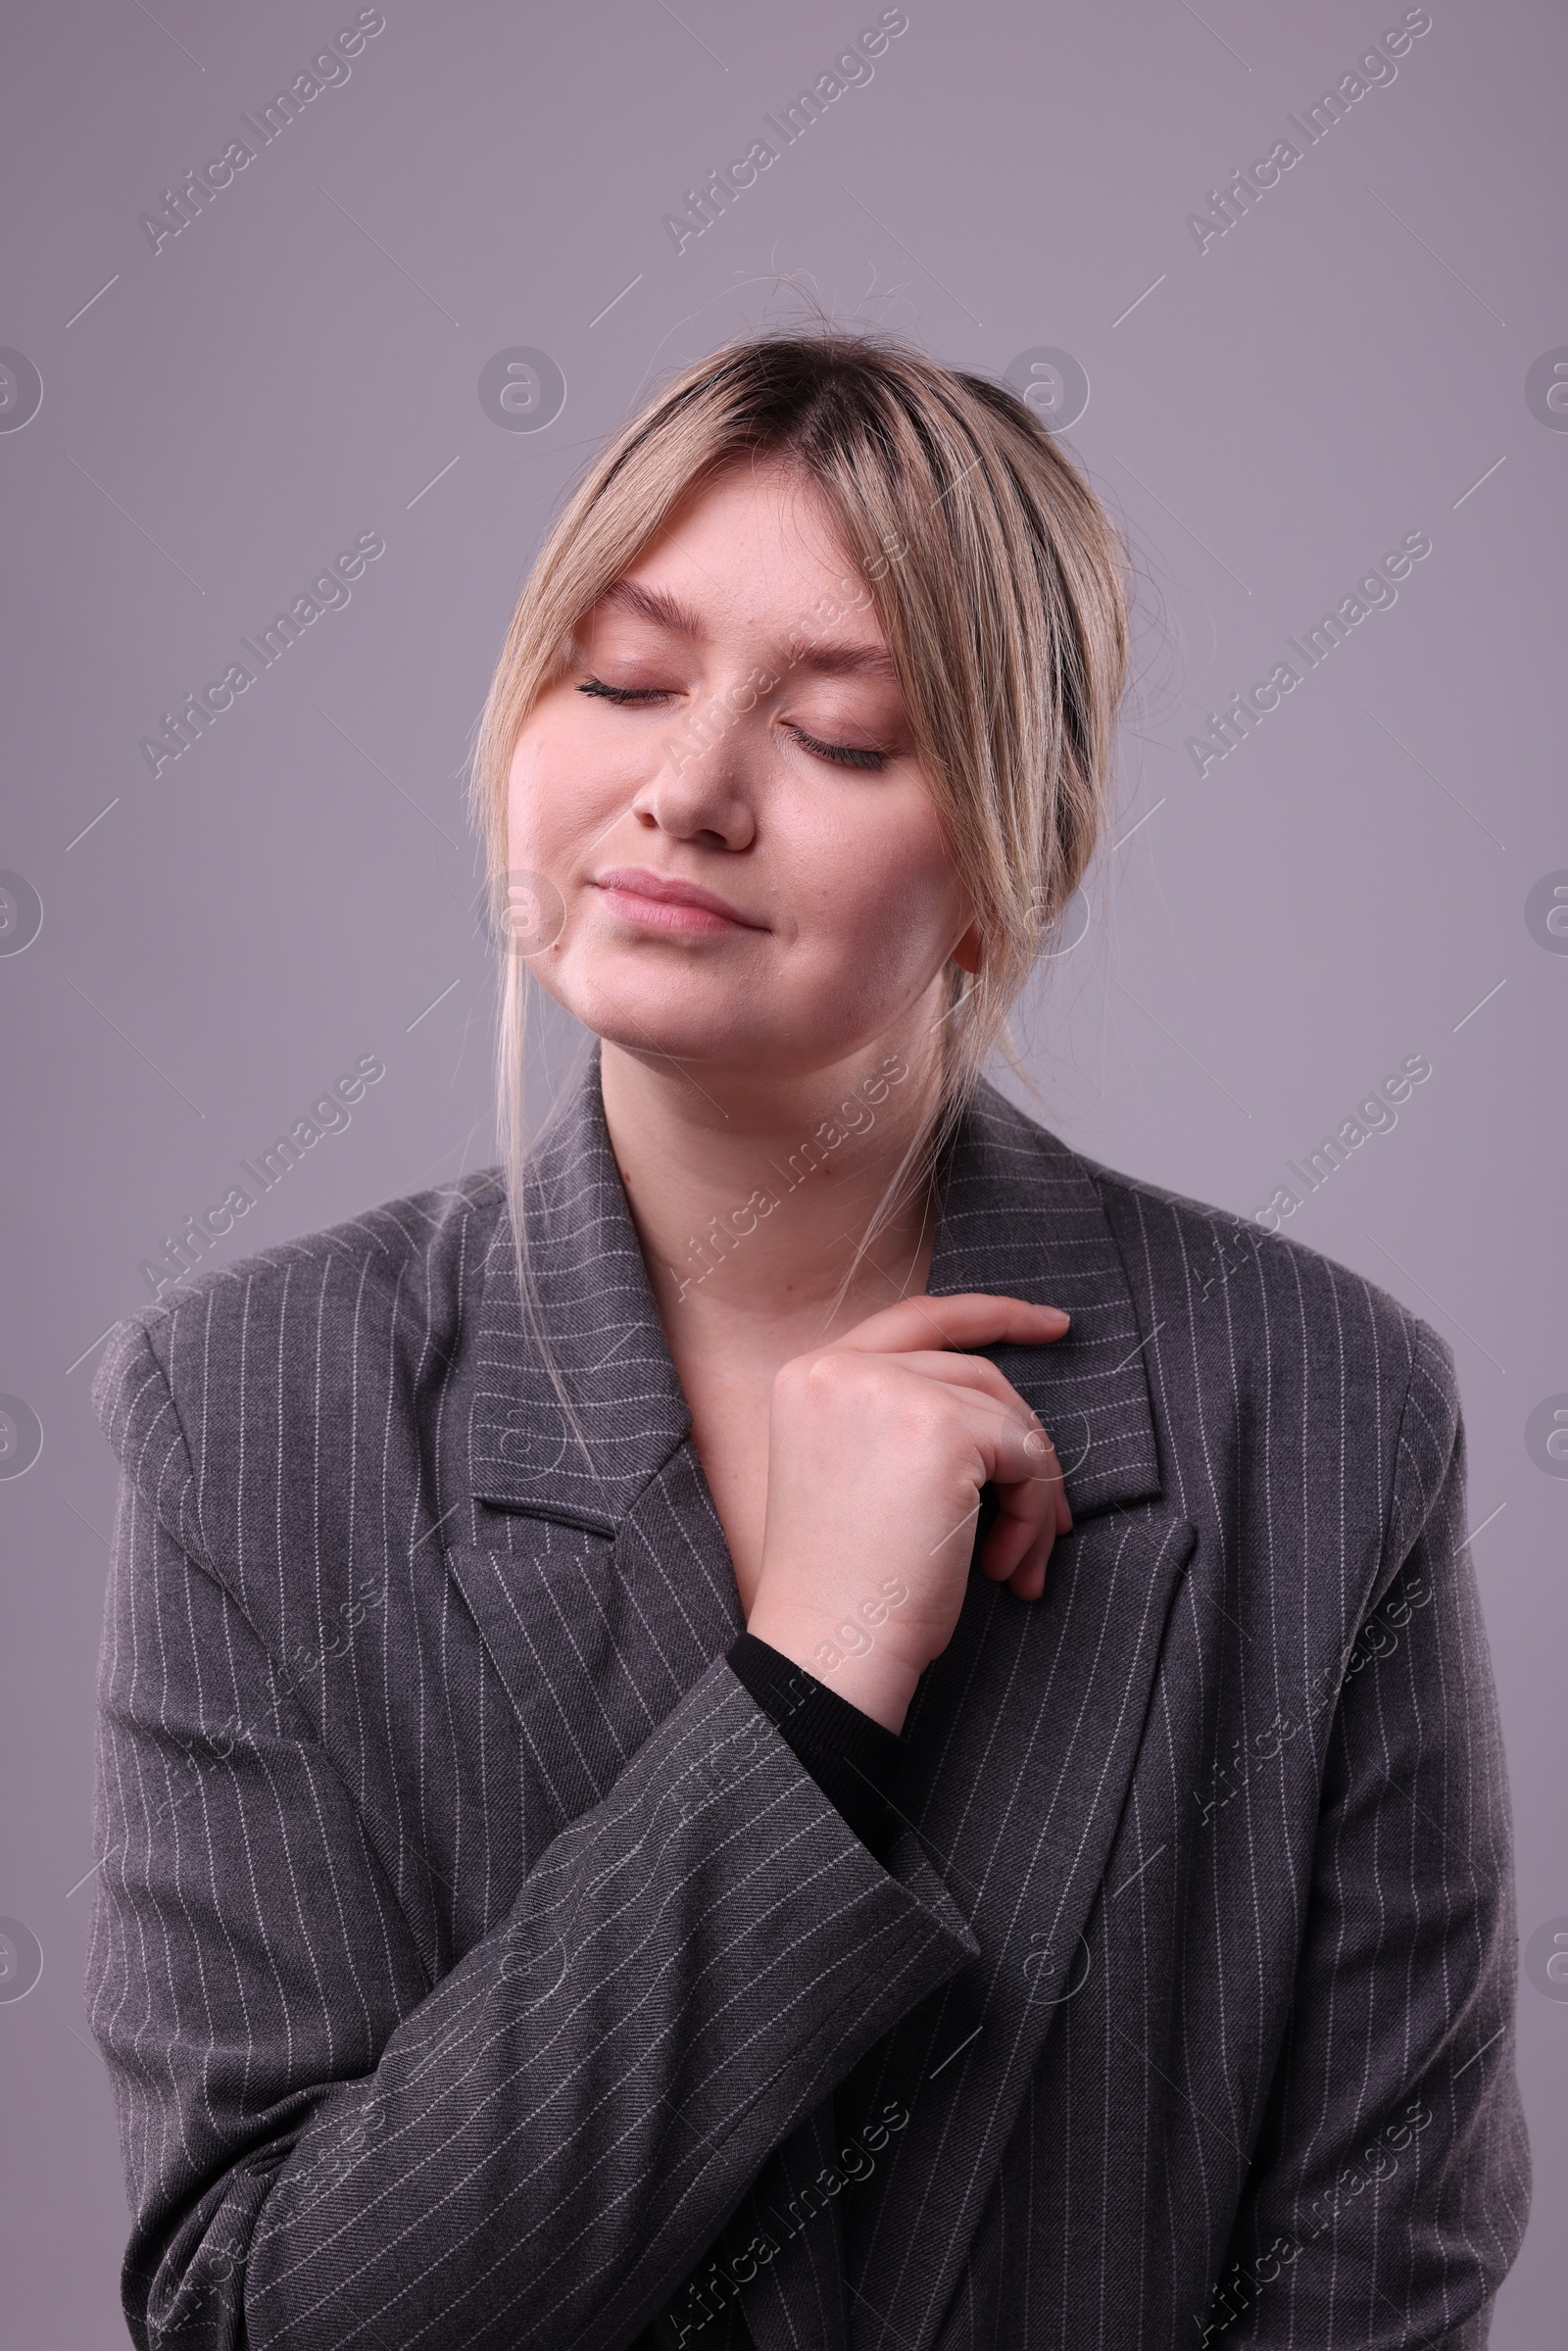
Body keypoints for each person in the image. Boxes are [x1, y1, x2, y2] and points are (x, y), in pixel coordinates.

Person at [88, 331, 1528, 2350]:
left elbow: (1379, 2277)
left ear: (1004, 860)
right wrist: (806, 1688)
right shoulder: (248, 1406)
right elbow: (264, 2319)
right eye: (621, 678)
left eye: (841, 737)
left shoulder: (1318, 1409)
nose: (684, 790)